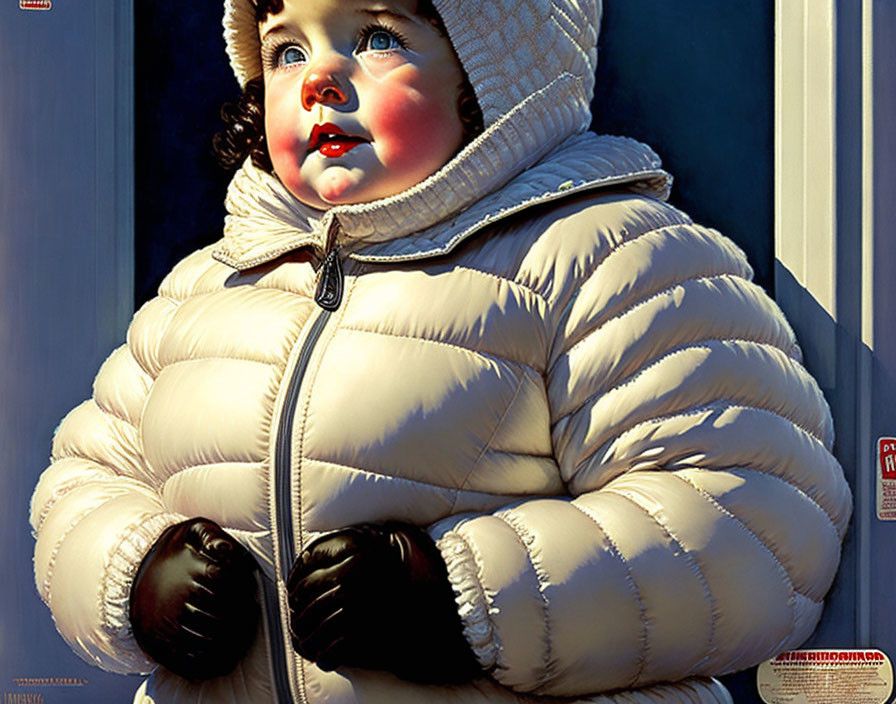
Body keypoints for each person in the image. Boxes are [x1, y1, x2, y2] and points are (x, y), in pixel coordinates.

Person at [30, 0, 852, 702]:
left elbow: (756, 519)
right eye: (286, 48)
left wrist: (459, 597)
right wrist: (135, 579)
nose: (318, 78)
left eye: (378, 35)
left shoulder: (610, 258)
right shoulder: (210, 286)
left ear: (497, 72)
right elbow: (83, 483)